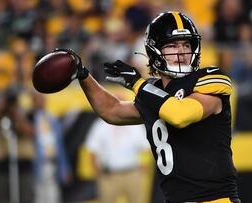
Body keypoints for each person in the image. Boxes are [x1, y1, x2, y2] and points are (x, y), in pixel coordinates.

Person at [55, 11, 240, 203]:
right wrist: (84, 75)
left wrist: (137, 84)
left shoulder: (208, 79)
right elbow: (112, 111)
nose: (182, 52)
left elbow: (181, 114)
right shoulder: (152, 91)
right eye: (172, 45)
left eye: (186, 45)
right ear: (154, 50)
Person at [0, 84, 35, 203]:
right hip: (0, 166)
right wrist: (0, 109)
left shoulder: (25, 110)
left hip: (23, 165)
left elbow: (31, 132)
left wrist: (15, 112)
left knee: (26, 198)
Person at [84, 117, 150, 203]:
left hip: (132, 172)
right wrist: (98, 172)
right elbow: (93, 149)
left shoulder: (135, 124)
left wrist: (143, 167)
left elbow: (145, 147)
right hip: (109, 175)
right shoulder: (100, 125)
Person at [28, 91, 71, 203]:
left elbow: (60, 145)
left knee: (53, 195)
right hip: (37, 163)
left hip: (52, 163)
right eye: (38, 99)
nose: (41, 101)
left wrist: (64, 167)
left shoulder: (52, 119)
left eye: (42, 98)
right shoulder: (30, 118)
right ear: (33, 101)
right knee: (39, 196)